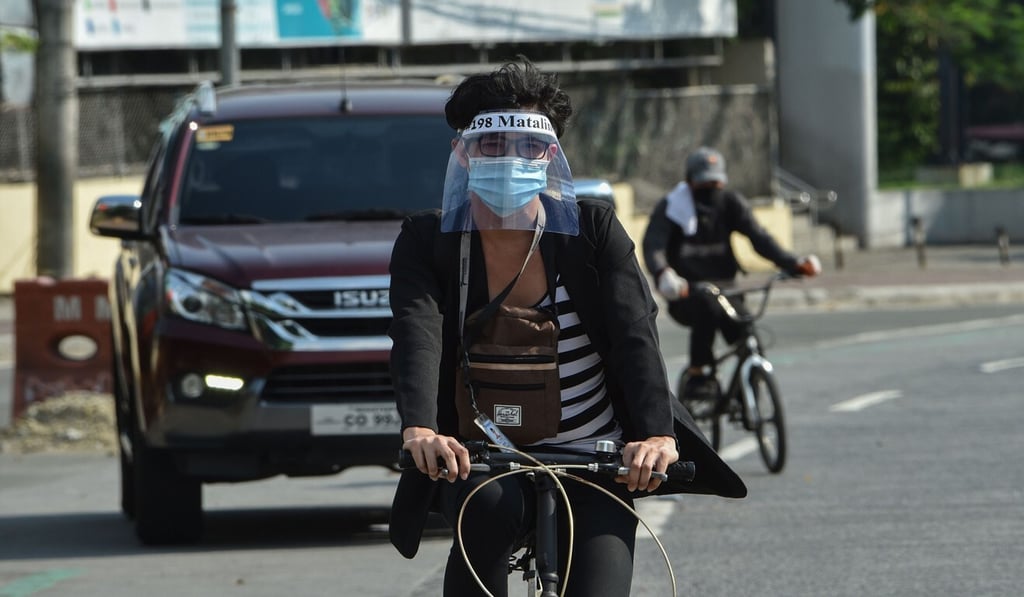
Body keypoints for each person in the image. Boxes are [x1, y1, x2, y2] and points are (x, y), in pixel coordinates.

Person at [387, 57, 746, 597]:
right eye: (491, 145)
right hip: (484, 457)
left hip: (594, 455)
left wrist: (655, 435)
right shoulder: (427, 240)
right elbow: (418, 330)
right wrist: (421, 428)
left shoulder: (593, 230)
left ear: (550, 155)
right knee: (479, 528)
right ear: (462, 153)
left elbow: (635, 334)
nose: (511, 158)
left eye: (528, 146)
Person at [642, 147, 821, 401]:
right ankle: (698, 374)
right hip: (687, 293)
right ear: (690, 181)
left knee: (747, 334)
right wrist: (663, 273)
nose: (710, 188)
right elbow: (654, 245)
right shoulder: (671, 207)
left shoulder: (730, 203)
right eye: (703, 182)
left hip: (727, 290)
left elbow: (759, 238)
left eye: (714, 182)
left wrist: (793, 263)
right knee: (707, 305)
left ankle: (749, 390)